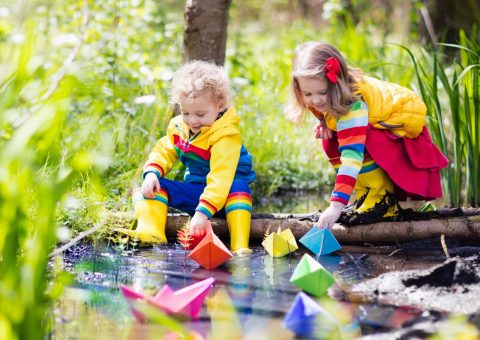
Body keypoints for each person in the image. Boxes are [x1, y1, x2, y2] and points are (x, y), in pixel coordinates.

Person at [285, 42, 448, 229]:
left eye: (322, 92)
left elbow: (351, 157)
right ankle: (366, 195)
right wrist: (324, 122)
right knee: (330, 141)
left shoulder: (352, 106)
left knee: (366, 142)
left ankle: (382, 199)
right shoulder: (321, 96)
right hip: (372, 123)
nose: (316, 100)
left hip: (400, 125)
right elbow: (322, 106)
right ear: (299, 90)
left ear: (336, 84)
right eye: (308, 94)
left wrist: (336, 205)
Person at [116, 60, 255, 254]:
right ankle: (151, 232)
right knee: (150, 187)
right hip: (197, 194)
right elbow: (165, 148)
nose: (192, 121)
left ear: (220, 105)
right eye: (185, 112)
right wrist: (152, 173)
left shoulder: (226, 135)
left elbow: (221, 178)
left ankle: (240, 245)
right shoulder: (180, 126)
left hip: (226, 198)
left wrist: (202, 213)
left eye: (200, 114)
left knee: (238, 186)